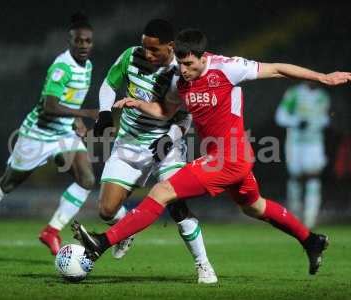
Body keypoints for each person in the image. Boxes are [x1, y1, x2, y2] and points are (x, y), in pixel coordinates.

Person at [72, 29, 351, 277]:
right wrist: (138, 104)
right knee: (255, 207)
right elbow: (165, 111)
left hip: (228, 157)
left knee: (161, 192)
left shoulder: (228, 68)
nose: (184, 70)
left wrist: (323, 77)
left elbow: (277, 68)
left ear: (203, 57)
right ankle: (311, 240)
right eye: (180, 64)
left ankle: (101, 243)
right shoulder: (179, 81)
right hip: (225, 157)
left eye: (190, 64)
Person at [0, 12, 97, 262]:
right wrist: (85, 113)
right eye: (79, 41)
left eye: (88, 41)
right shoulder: (61, 67)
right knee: (7, 183)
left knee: (86, 179)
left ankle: (51, 231)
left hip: (63, 133)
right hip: (38, 133)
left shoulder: (87, 66)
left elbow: (71, 98)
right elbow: (49, 106)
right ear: (70, 41)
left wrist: (76, 120)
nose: (84, 45)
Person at [92, 19, 217, 284]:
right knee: (106, 209)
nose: (147, 54)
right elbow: (107, 85)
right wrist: (104, 113)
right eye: (144, 47)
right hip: (129, 142)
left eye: (154, 49)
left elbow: (185, 119)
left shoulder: (181, 71)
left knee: (176, 206)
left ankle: (204, 265)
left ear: (170, 47)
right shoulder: (130, 56)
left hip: (165, 147)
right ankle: (125, 231)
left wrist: (169, 139)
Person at [275, 82, 330, 228]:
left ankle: (310, 219)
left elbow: (325, 118)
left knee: (314, 176)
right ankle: (295, 217)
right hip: (296, 143)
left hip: (315, 143)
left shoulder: (323, 96)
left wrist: (320, 122)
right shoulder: (294, 93)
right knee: (296, 178)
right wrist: (296, 122)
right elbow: (280, 116)